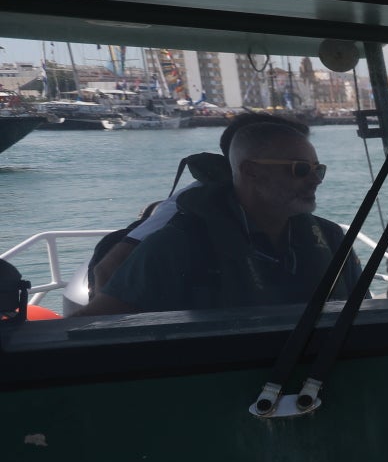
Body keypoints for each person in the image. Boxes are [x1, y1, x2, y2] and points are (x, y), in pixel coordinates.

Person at [78, 116, 359, 315]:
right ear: (250, 170)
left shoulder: (331, 238)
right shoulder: (177, 244)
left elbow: (366, 318)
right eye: (300, 169)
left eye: (317, 169)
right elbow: (94, 327)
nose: (315, 180)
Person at [88, 111, 293, 294]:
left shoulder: (270, 212)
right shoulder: (191, 205)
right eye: (297, 164)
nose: (313, 175)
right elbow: (107, 268)